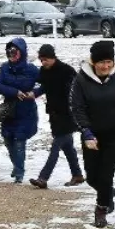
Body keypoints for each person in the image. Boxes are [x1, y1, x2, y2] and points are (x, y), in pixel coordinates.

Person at [69, 40, 115, 228]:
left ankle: (101, 209)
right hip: (92, 136)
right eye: (101, 62)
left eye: (109, 61)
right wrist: (86, 131)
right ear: (93, 62)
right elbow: (77, 108)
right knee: (92, 177)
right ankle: (108, 192)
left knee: (105, 174)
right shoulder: (81, 80)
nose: (106, 66)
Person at [29, 44, 84, 190]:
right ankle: (77, 175)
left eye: (46, 59)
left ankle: (43, 178)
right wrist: (34, 94)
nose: (43, 63)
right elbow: (44, 87)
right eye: (41, 60)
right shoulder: (44, 71)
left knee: (56, 146)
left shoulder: (66, 71)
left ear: (53, 57)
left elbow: (78, 90)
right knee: (68, 147)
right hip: (54, 114)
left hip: (68, 115)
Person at [0, 37, 40, 184]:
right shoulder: (5, 68)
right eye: (9, 52)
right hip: (9, 110)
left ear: (22, 52)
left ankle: (19, 172)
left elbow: (47, 84)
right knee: (7, 139)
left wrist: (35, 93)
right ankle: (16, 165)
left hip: (26, 111)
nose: (11, 55)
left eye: (14, 52)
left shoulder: (31, 70)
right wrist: (15, 92)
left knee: (20, 140)